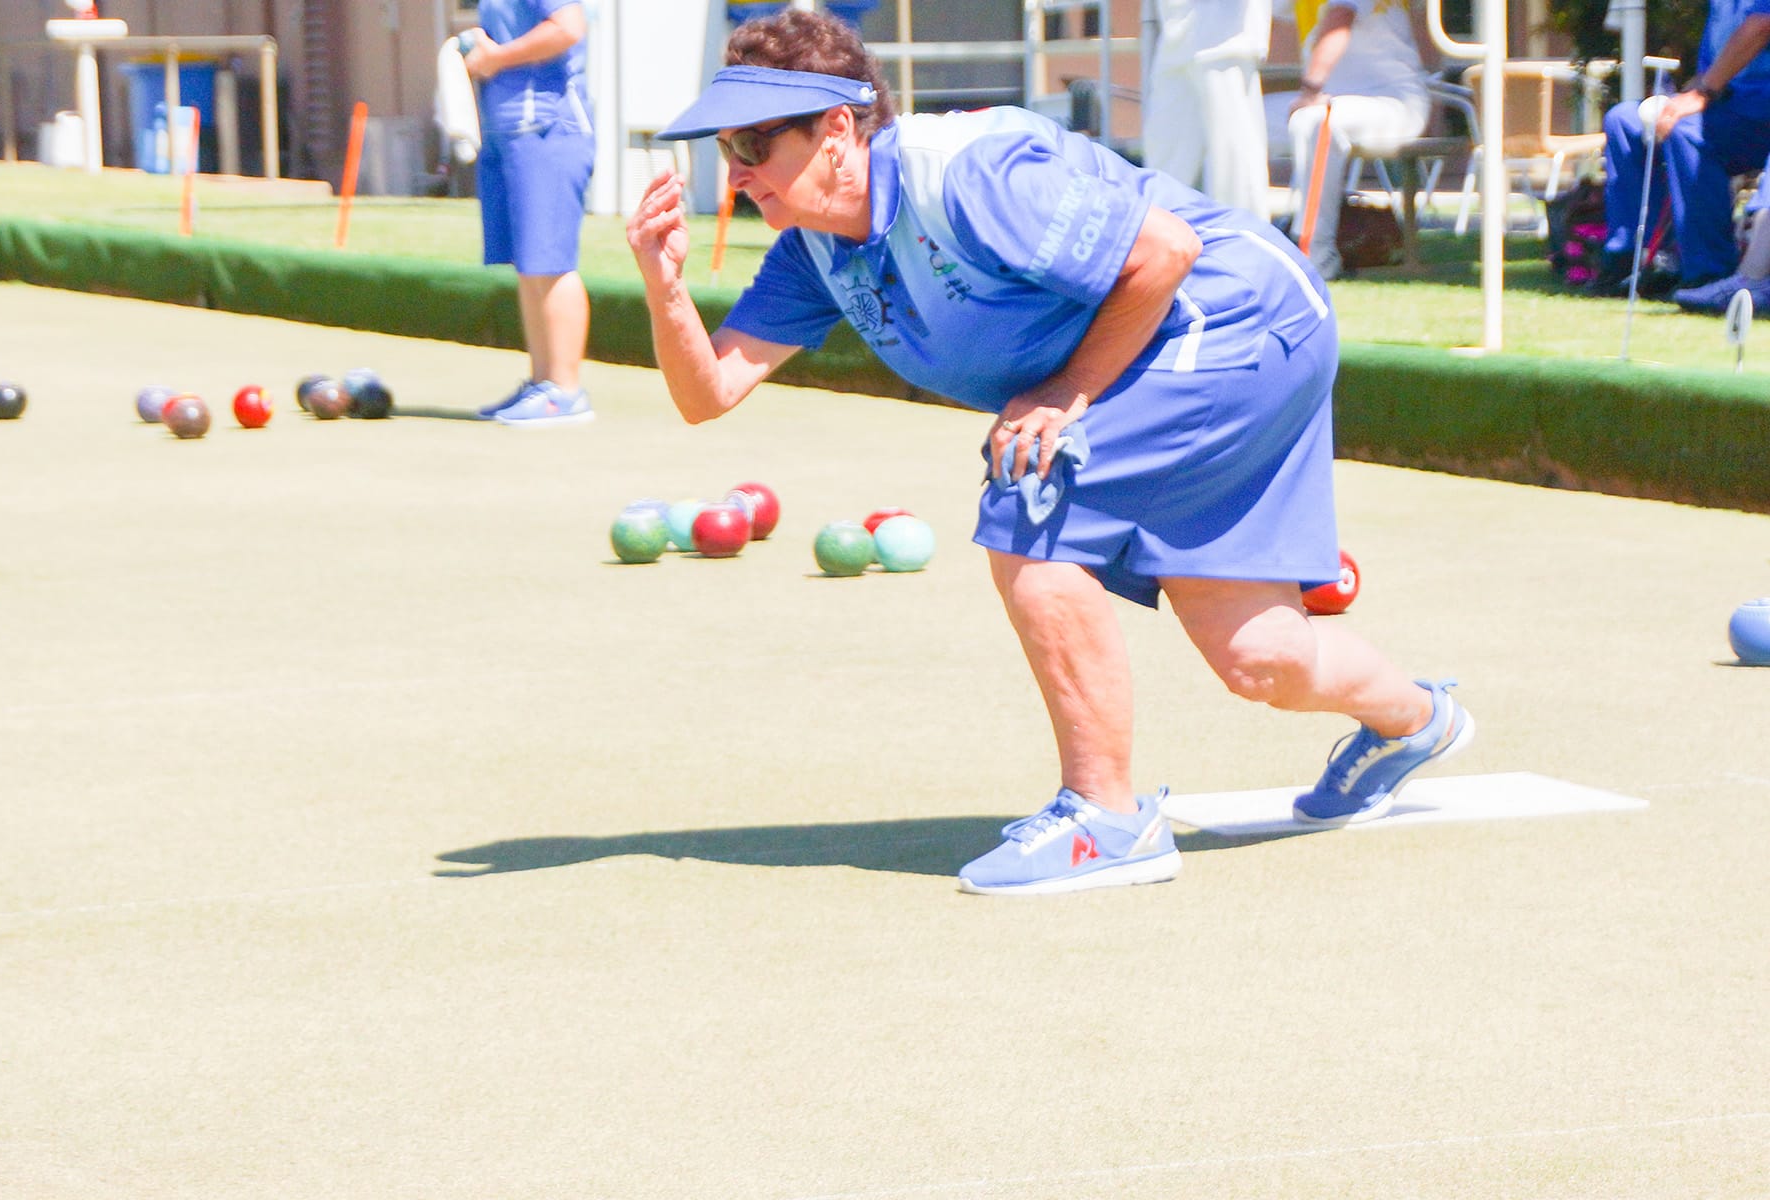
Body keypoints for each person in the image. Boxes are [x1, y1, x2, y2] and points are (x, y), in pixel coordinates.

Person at [626, 10, 1473, 897]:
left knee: (1032, 485)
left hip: (1235, 317)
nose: (741, 169)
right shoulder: (816, 251)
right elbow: (708, 392)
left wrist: (1062, 397)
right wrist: (664, 282)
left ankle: (1105, 817)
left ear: (838, 127)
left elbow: (1166, 252)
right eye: (729, 147)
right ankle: (1415, 721)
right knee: (1259, 657)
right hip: (1194, 346)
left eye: (758, 141)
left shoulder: (968, 175)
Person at [461, 0, 596, 426]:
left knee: (551, 262)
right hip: (507, 131)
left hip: (548, 127)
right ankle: (543, 383)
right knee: (529, 264)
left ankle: (566, 391)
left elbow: (568, 28)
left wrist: (495, 57)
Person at [1607, 2, 1770, 300]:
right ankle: (1638, 259)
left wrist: (1702, 92)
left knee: (1687, 132)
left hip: (1759, 112)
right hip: (1726, 105)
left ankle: (1709, 271)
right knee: (1624, 121)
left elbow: (1760, 27)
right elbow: (1717, 61)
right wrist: (1688, 92)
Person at [1265, 0, 1436, 280]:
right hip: (1330, 101)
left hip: (1394, 101)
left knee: (1315, 122)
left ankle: (1315, 257)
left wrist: (1310, 87)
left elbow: (1339, 19)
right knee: (1236, 119)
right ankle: (1236, 245)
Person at [1142, 0, 1274, 220]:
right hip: (1175, 36)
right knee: (1164, 159)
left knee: (1234, 165)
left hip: (1224, 40)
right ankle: (1159, 243)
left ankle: (1246, 243)